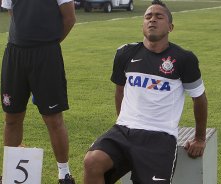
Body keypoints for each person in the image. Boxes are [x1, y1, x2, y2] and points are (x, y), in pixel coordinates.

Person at [83, 0, 208, 183]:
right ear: (142, 24)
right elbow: (120, 91)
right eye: (148, 16)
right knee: (92, 162)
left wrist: (199, 138)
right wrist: (123, 120)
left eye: (159, 16)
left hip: (160, 136)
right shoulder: (125, 53)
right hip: (124, 131)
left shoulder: (184, 59)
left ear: (170, 27)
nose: (152, 20)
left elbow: (199, 98)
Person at [0, 0, 76, 183]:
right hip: (15, 54)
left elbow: (69, 19)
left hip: (46, 55)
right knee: (12, 118)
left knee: (53, 119)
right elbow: (13, 15)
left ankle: (64, 174)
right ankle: (11, 173)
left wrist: (47, 44)